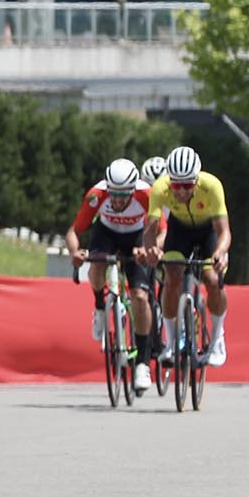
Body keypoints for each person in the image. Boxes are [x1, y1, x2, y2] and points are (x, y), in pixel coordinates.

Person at [66, 157, 158, 394]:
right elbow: (74, 230)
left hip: (137, 236)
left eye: (123, 195)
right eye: (113, 194)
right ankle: (99, 308)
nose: (117, 200)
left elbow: (162, 232)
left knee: (139, 296)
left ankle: (143, 365)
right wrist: (75, 252)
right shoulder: (97, 194)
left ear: (133, 189)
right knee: (96, 264)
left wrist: (148, 250)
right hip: (106, 233)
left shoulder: (146, 195)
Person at [138, 144, 232, 366]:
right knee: (171, 277)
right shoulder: (160, 188)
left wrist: (219, 253)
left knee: (211, 279)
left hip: (207, 232)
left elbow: (224, 231)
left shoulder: (212, 186)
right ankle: (171, 342)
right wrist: (151, 248)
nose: (180, 191)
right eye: (176, 185)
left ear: (196, 180)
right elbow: (150, 229)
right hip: (179, 231)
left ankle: (218, 338)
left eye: (187, 185)